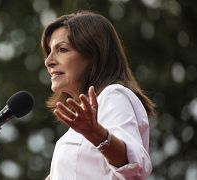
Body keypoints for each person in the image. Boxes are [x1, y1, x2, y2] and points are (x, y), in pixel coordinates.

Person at [41, 10, 156, 180]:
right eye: (49, 51)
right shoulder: (77, 127)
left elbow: (136, 165)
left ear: (93, 55)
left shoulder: (113, 96)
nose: (48, 61)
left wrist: (97, 134)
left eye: (62, 49)